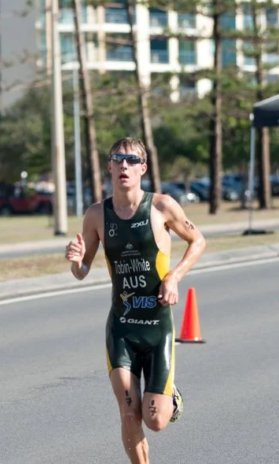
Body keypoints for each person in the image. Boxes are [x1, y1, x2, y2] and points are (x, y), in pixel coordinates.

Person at [65, 138, 206, 464]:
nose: (124, 165)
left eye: (131, 160)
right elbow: (82, 270)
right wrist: (76, 260)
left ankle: (169, 396)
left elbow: (197, 240)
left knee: (155, 420)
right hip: (122, 328)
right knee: (129, 412)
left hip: (158, 327)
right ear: (110, 167)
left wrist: (174, 276)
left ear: (143, 168)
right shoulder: (97, 214)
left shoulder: (162, 207)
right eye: (118, 159)